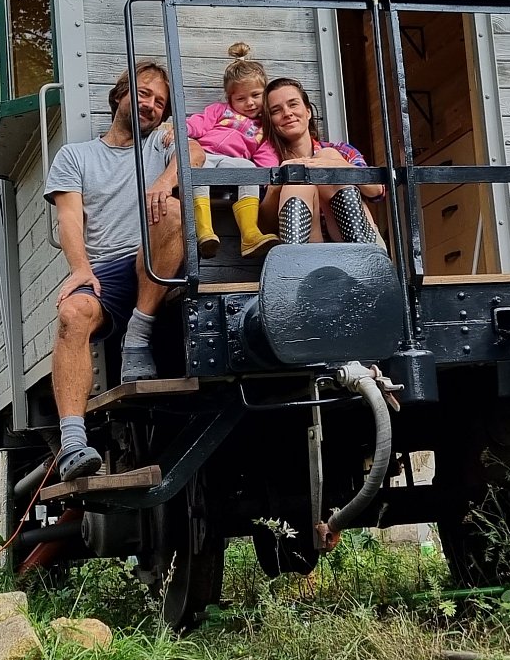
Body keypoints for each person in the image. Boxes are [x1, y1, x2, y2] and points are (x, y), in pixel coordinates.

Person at [45, 60, 206, 481]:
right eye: (143, 92)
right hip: (105, 269)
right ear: (120, 95)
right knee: (71, 314)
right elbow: (69, 220)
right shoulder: (76, 156)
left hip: (151, 260)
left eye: (159, 100)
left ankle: (138, 335)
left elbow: (195, 152)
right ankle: (74, 443)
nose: (150, 104)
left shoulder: (161, 143)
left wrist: (164, 181)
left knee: (172, 212)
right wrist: (80, 269)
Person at [180, 42, 280, 258]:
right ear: (230, 99)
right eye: (241, 99)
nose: (250, 103)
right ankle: (204, 231)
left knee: (249, 168)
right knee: (198, 169)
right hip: (205, 155)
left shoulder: (264, 129)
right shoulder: (220, 111)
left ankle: (250, 234)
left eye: (256, 95)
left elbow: (266, 157)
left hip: (230, 164)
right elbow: (199, 123)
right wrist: (182, 131)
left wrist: (268, 178)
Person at [257, 77, 385, 245]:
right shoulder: (269, 161)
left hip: (359, 244)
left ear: (308, 111)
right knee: (297, 182)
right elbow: (264, 227)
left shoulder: (341, 150)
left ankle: (362, 254)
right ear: (271, 122)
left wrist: (339, 166)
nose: (287, 113)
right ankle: (296, 261)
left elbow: (377, 191)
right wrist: (275, 187)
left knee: (327, 156)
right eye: (276, 110)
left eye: (293, 104)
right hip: (312, 252)